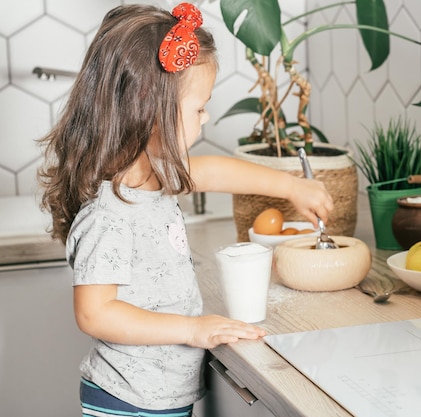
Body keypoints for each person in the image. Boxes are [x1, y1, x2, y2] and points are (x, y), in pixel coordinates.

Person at [37, 3, 333, 416]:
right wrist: (191, 328)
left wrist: (289, 186)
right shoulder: (109, 214)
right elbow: (94, 313)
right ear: (150, 111)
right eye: (198, 108)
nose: (207, 116)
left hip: (158, 399)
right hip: (128, 403)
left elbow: (211, 172)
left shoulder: (151, 178)